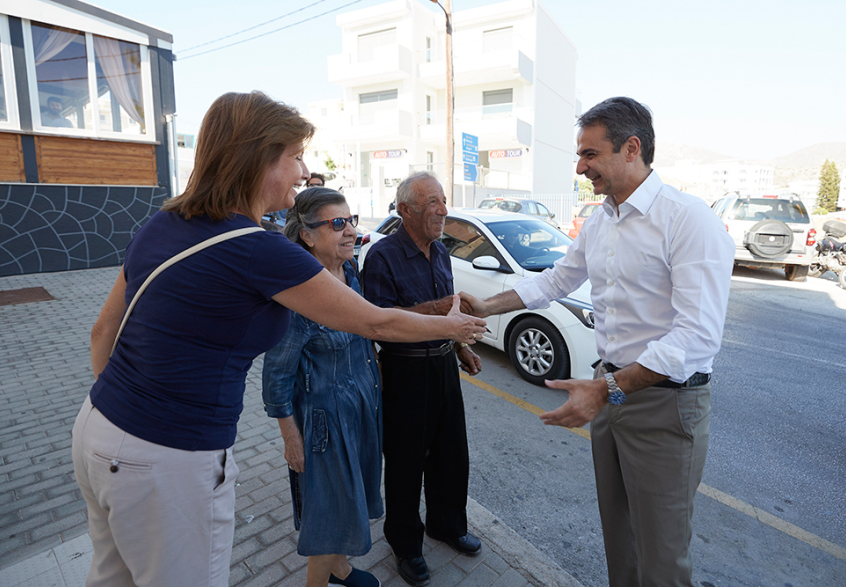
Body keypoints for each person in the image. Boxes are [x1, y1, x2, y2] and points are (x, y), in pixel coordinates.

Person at [71, 91, 486, 587]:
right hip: (169, 457)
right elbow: (376, 323)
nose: (302, 169)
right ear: (257, 158)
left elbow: (103, 332)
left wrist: (124, 414)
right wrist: (455, 326)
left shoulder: (162, 222)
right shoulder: (259, 249)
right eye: (294, 156)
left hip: (97, 428)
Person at [459, 97, 735, 587]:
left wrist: (606, 390)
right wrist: (485, 308)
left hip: (665, 404)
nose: (581, 167)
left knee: (663, 557)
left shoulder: (689, 220)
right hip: (611, 390)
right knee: (620, 538)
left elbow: (695, 336)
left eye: (590, 154)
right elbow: (554, 281)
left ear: (632, 148)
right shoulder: (602, 219)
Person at [362, 171, 484, 587]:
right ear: (405, 210)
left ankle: (446, 525)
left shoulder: (442, 253)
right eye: (432, 202)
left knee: (452, 452)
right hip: (405, 371)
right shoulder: (381, 257)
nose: (442, 210)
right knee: (405, 462)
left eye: (443, 200)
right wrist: (441, 314)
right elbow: (378, 323)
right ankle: (406, 545)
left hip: (443, 365)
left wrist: (461, 346)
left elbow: (447, 318)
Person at [262, 187, 382, 587]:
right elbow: (276, 375)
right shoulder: (298, 294)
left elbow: (364, 333)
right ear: (307, 235)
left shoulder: (348, 271)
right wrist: (290, 436)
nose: (350, 231)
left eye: (351, 220)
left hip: (359, 403)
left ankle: (341, 569)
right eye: (337, 223)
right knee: (330, 511)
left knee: (351, 498)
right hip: (324, 420)